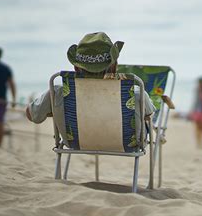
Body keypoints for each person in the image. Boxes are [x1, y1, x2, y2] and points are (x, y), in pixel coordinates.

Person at [26, 32, 155, 146]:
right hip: (127, 144)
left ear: (76, 68)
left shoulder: (58, 93)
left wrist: (53, 109)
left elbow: (33, 115)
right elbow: (149, 114)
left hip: (75, 143)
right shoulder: (136, 95)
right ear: (115, 67)